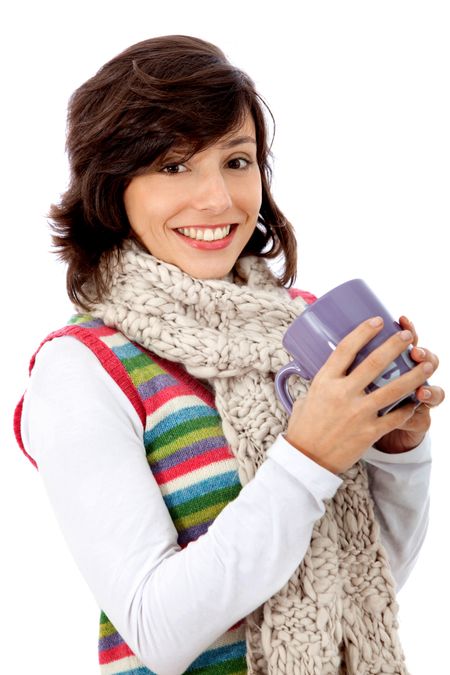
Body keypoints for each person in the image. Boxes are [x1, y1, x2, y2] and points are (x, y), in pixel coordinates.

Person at [14, 35, 444, 675]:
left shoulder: (298, 326)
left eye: (237, 161)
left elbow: (364, 586)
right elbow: (157, 633)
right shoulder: (80, 369)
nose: (218, 199)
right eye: (173, 167)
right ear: (112, 187)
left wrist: (395, 452)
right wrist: (311, 456)